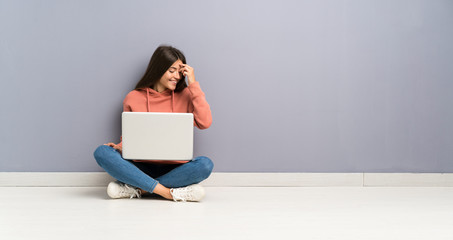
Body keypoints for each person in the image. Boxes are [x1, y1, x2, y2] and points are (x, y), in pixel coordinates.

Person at [93, 45, 213, 202]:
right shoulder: (133, 97)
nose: (177, 76)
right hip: (141, 166)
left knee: (205, 165)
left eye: (179, 71)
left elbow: (205, 122)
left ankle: (139, 189)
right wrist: (121, 146)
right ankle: (168, 192)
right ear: (158, 69)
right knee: (102, 152)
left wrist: (193, 83)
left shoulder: (186, 95)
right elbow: (132, 135)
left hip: (175, 167)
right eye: (171, 70)